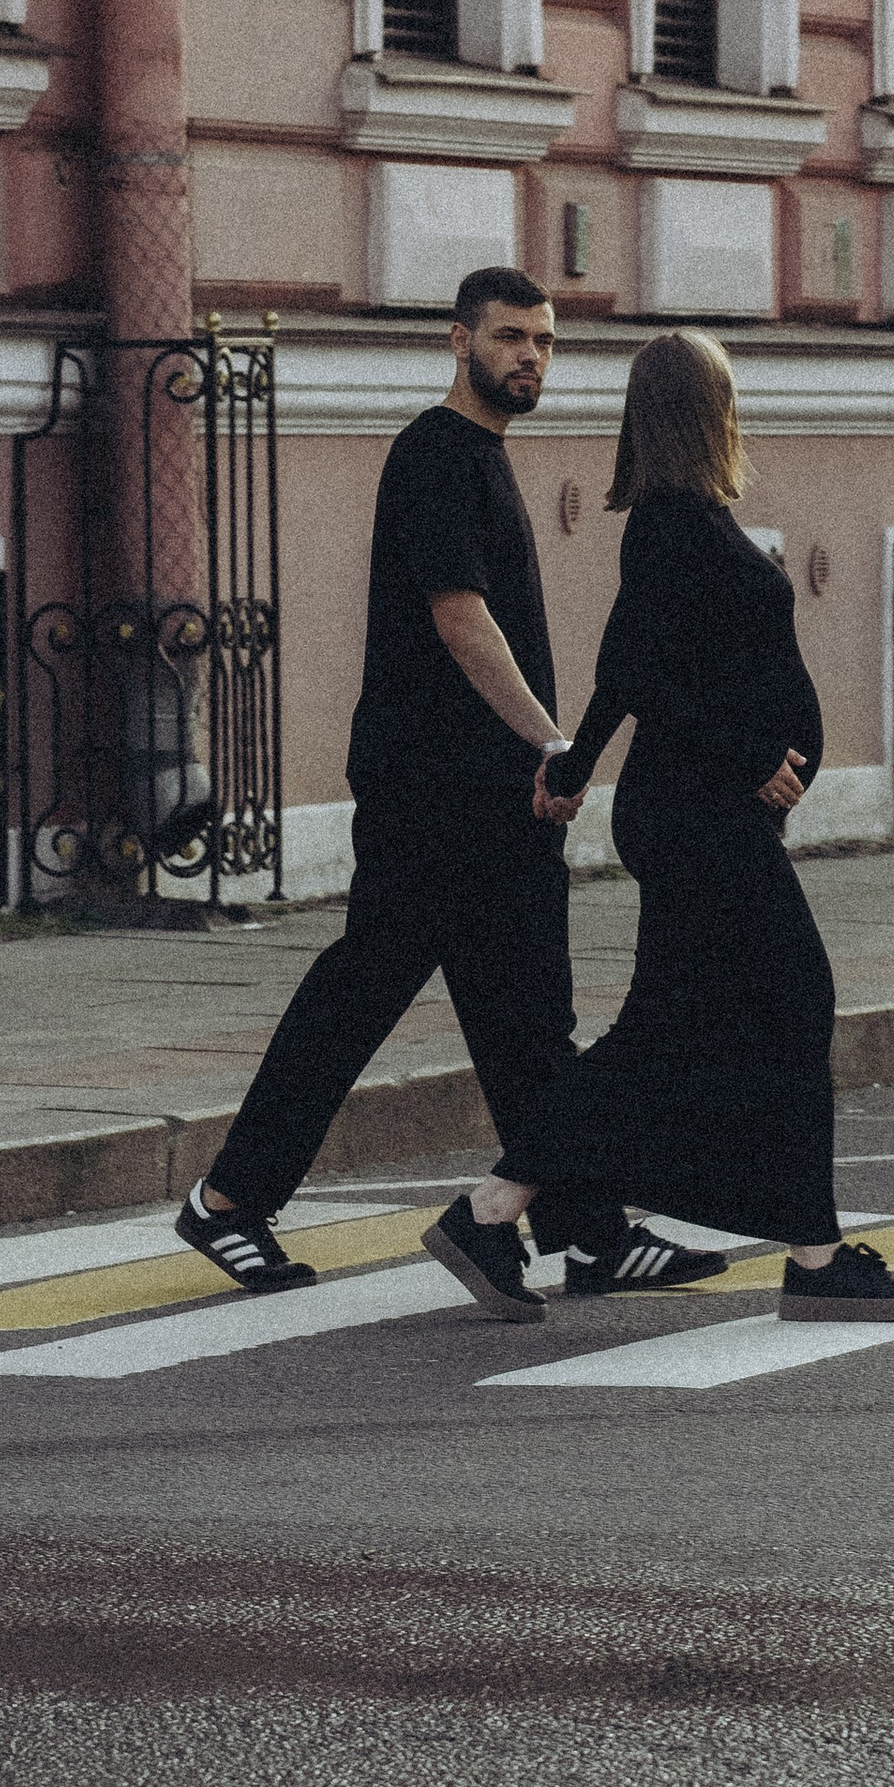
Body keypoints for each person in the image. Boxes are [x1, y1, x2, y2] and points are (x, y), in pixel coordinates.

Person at [175, 267, 724, 1308]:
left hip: (494, 795)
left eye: (545, 342)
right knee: (359, 998)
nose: (530, 358)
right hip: (431, 793)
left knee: (529, 1023)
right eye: (511, 337)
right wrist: (554, 743)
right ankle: (227, 1200)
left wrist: (537, 763)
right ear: (459, 340)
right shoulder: (434, 454)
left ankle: (589, 1234)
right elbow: (458, 617)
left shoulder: (482, 458)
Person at [435, 330, 894, 1325]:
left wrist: (576, 767)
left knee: (667, 1027)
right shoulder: (670, 524)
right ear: (706, 411)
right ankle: (813, 1257)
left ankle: (493, 1211)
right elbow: (634, 671)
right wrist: (744, 756)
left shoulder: (689, 518)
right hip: (696, 817)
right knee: (794, 999)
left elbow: (634, 660)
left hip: (697, 815)